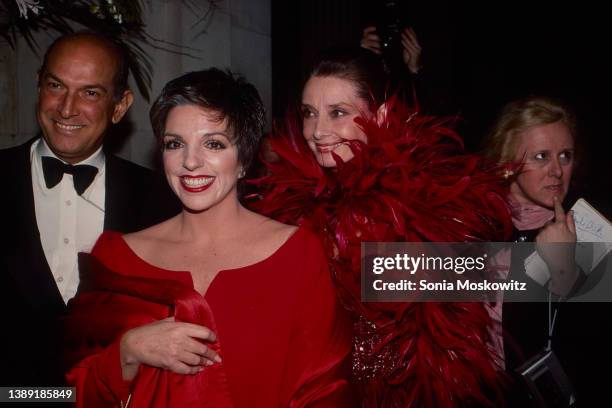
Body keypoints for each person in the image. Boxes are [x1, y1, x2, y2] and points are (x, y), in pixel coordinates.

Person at [63, 68, 353, 407]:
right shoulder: (115, 257)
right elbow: (67, 392)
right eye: (175, 144)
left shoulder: (297, 254)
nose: (190, 162)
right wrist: (127, 353)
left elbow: (326, 391)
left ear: (244, 158)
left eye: (213, 143)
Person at [252, 47, 512, 407]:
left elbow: (487, 282)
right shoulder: (292, 204)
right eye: (309, 113)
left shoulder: (425, 200)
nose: (318, 131)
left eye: (338, 113)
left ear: (383, 113)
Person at [0, 31, 179, 387]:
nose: (67, 108)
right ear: (38, 87)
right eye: (56, 86)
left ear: (119, 106)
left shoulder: (161, 201)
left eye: (90, 93)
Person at [483, 96, 610, 406]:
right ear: (507, 162)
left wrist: (566, 272)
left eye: (565, 156)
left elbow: (595, 350)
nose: (557, 170)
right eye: (541, 156)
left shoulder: (593, 230)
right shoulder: (476, 224)